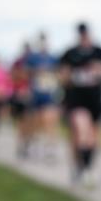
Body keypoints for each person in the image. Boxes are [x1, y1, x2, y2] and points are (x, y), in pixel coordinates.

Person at [59, 23, 101, 187]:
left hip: (95, 100)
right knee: (81, 131)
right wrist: (68, 76)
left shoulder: (100, 52)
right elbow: (62, 76)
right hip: (76, 99)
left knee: (93, 138)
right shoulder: (70, 53)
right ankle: (84, 169)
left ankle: (86, 166)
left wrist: (99, 70)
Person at [26, 32, 62, 162]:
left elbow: (60, 73)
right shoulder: (33, 58)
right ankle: (34, 144)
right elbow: (25, 73)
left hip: (50, 94)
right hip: (36, 94)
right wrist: (36, 71)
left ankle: (50, 148)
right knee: (36, 121)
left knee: (49, 120)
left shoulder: (54, 58)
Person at [10, 42, 34, 158]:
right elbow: (13, 78)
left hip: (31, 97)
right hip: (19, 97)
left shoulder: (34, 62)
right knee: (21, 122)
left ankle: (26, 142)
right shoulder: (18, 62)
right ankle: (22, 144)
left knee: (29, 122)